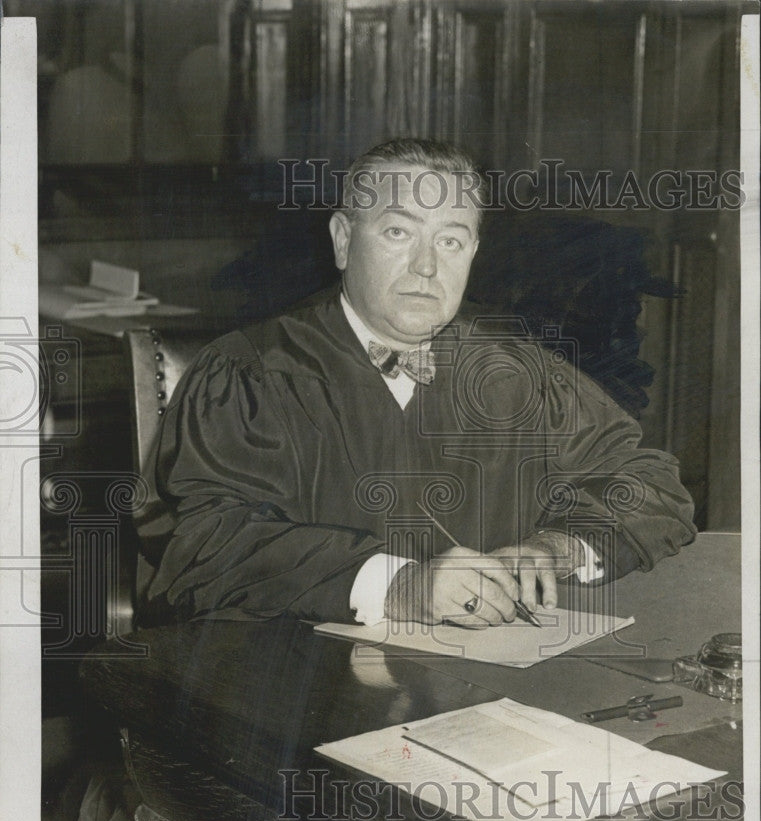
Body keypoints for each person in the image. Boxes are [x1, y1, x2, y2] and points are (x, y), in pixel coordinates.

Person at [137, 137, 695, 630]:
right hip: (294, 692)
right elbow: (201, 544)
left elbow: (649, 482)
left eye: (451, 241)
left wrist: (557, 547)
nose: (427, 267)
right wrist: (399, 587)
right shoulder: (248, 374)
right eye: (399, 232)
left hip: (481, 693)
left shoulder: (517, 373)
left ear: (473, 253)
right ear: (342, 240)